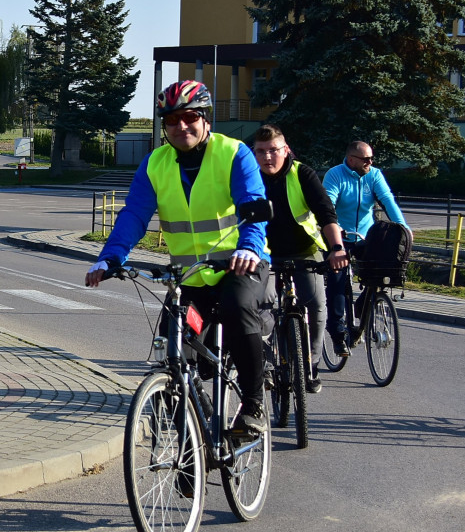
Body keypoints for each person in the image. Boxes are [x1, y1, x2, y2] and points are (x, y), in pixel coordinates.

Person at [85, 80, 271, 435]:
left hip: (238, 266)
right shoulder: (156, 163)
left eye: (189, 117)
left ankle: (253, 405)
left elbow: (252, 208)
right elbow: (135, 215)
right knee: (173, 345)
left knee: (238, 307)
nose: (181, 126)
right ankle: (185, 443)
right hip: (189, 278)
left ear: (205, 119)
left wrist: (249, 246)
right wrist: (109, 259)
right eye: (171, 120)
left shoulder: (234, 154)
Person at [252, 125, 348, 394]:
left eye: (273, 150)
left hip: (304, 250)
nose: (267, 157)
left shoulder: (301, 173)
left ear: (286, 150)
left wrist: (337, 248)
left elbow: (326, 213)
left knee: (316, 303)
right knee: (263, 304)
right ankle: (267, 365)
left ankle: (311, 364)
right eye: (261, 152)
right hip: (264, 252)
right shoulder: (249, 176)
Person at [322, 141, 411, 357]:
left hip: (366, 236)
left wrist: (403, 227)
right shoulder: (335, 175)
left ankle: (364, 305)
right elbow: (328, 204)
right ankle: (337, 333)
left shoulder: (374, 175)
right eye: (365, 159)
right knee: (337, 282)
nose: (370, 162)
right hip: (340, 236)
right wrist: (336, 230)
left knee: (380, 274)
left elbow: (388, 201)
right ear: (351, 159)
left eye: (372, 158)